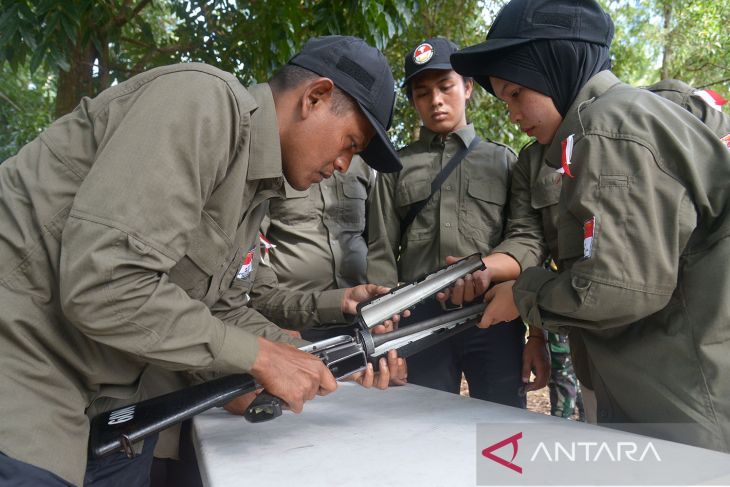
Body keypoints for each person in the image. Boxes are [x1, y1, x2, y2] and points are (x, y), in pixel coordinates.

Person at [0, 35, 404, 486]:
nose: (345, 165)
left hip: (108, 402)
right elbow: (105, 284)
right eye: (350, 142)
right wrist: (260, 358)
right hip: (25, 365)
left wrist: (327, 359)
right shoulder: (203, 102)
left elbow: (221, 309)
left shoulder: (253, 188)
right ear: (315, 97)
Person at [451, 0, 730, 451]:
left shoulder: (606, 126)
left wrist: (524, 295)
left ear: (555, 65)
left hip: (679, 406)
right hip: (664, 388)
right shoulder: (631, 117)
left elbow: (617, 288)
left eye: (516, 93)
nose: (513, 115)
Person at [367, 37, 549, 407]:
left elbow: (527, 243)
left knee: (502, 427)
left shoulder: (504, 162)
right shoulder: (395, 168)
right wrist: (386, 335)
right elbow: (381, 250)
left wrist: (537, 335)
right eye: (422, 93)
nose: (435, 100)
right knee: (424, 427)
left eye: (445, 86)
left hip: (493, 314)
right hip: (419, 320)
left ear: (467, 87)